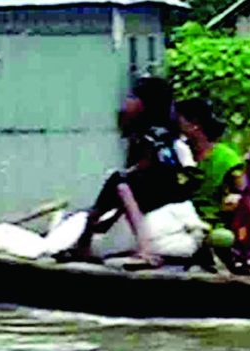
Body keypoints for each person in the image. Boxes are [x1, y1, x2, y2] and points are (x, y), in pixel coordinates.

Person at [73, 77, 198, 264]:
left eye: (131, 97)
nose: (125, 103)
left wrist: (125, 177)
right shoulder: (165, 131)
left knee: (120, 184)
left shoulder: (149, 133)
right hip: (166, 185)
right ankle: (86, 238)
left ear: (144, 103)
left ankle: (142, 248)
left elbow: (148, 164)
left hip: (162, 183)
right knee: (120, 185)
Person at [175, 98, 245, 227]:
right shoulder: (177, 154)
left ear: (194, 124)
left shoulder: (225, 158)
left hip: (216, 225)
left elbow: (244, 193)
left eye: (178, 121)